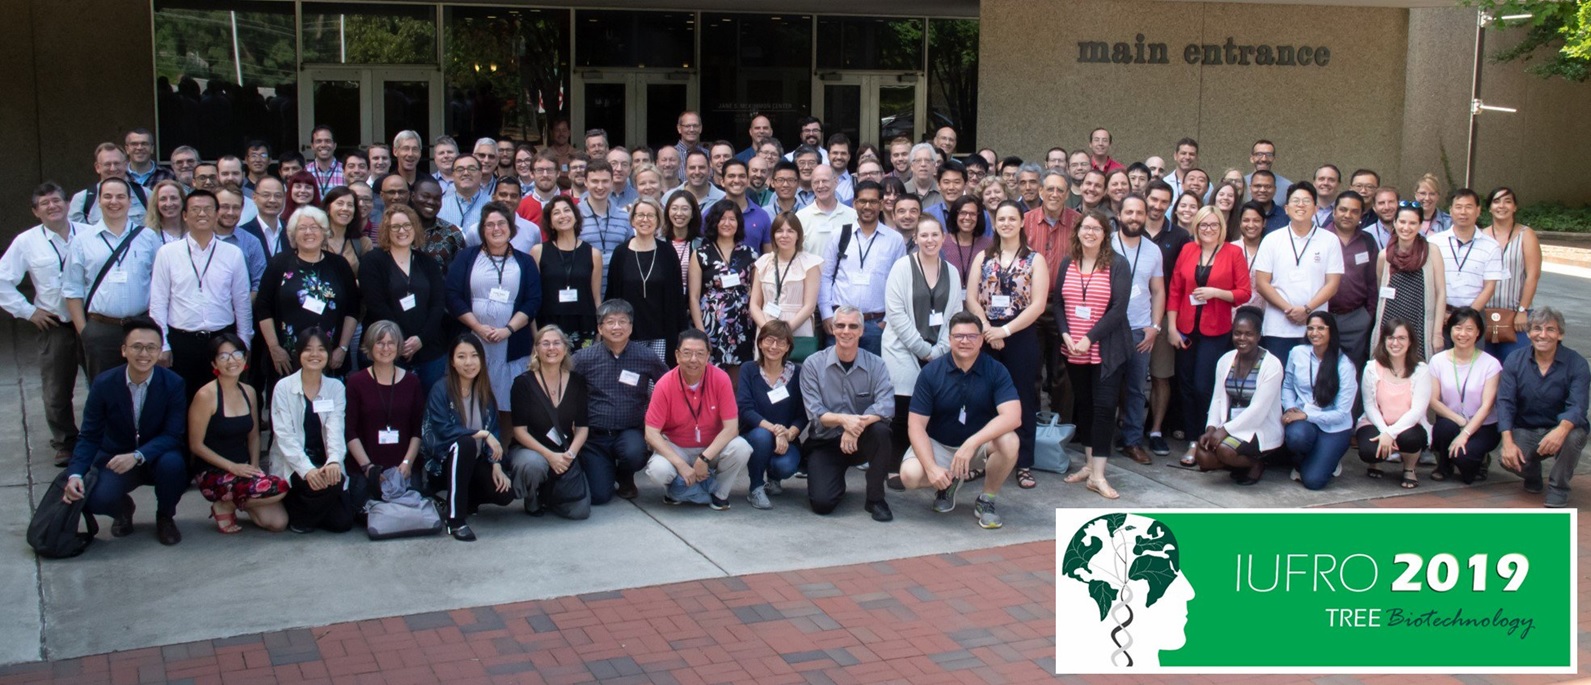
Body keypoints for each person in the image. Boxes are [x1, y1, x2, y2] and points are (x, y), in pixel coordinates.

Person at [62, 318, 188, 546]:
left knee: (174, 466)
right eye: (137, 346)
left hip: (156, 456)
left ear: (160, 351)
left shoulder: (174, 383)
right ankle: (123, 511)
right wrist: (75, 474)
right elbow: (89, 435)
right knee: (93, 496)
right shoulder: (104, 383)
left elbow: (173, 434)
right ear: (123, 350)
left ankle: (165, 517)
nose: (144, 354)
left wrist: (138, 456)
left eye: (151, 347)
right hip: (115, 458)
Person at [897, 312, 1021, 528]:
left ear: (982, 339)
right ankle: (947, 482)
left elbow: (1013, 416)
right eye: (959, 336)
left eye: (972, 336)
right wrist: (932, 467)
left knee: (1010, 441)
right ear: (949, 339)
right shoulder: (930, 372)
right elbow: (916, 426)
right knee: (910, 476)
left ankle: (987, 499)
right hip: (939, 445)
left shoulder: (996, 370)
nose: (965, 341)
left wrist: (971, 443)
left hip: (978, 446)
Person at [0, 183, 86, 466]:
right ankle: (65, 443)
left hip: (91, 322)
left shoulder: (88, 234)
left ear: (67, 204)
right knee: (56, 388)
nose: (53, 206)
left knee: (103, 383)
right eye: (45, 203)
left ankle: (105, 438)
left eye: (57, 200)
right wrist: (28, 311)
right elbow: (3, 280)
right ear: (36, 212)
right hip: (55, 324)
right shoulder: (27, 242)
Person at [966, 202, 1050, 490]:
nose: (1006, 223)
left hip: (1021, 334)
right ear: (995, 222)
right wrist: (988, 329)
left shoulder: (1035, 259)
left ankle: (1024, 461)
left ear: (1021, 222)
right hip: (986, 333)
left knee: (1022, 397)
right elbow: (971, 298)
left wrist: (1005, 329)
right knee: (983, 397)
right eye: (1001, 218)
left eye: (1011, 218)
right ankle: (981, 459)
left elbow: (1038, 304)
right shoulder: (983, 257)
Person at [1052, 211, 1132, 499]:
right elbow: (1058, 304)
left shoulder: (1117, 265)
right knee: (1084, 405)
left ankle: (1098, 475)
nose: (1090, 232)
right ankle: (1088, 466)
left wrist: (1088, 338)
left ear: (1105, 233)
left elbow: (1118, 310)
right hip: (1073, 349)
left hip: (1104, 349)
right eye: (1086, 227)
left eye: (1096, 228)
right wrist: (1065, 335)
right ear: (1078, 231)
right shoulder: (1067, 263)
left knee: (1103, 408)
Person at [1167, 207, 1251, 467]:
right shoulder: (1188, 250)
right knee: (1186, 384)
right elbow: (1175, 290)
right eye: (1203, 225)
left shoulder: (1233, 252)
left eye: (1214, 225)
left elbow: (1244, 293)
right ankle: (1193, 439)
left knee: (1205, 385)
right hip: (1185, 327)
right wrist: (1171, 327)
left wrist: (1216, 292)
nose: (1208, 230)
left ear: (1222, 227)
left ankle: (1210, 435)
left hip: (1216, 329)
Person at [149, 190, 254, 399]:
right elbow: (158, 302)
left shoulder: (232, 254)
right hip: (181, 341)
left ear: (216, 214)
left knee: (222, 400)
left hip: (222, 339)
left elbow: (241, 302)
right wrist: (162, 344)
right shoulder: (167, 253)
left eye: (208, 209)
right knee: (182, 400)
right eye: (195, 209)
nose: (202, 214)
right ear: (185, 216)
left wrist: (244, 343)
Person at [447, 203, 543, 430]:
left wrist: (508, 329)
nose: (496, 229)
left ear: (511, 228)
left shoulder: (525, 261)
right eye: (489, 224)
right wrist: (478, 328)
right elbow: (452, 295)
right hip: (474, 338)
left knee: (508, 402)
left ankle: (505, 451)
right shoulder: (466, 257)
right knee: (473, 398)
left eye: (501, 223)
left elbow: (533, 300)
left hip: (512, 343)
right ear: (482, 230)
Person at [799, 306, 896, 520]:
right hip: (825, 441)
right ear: (832, 329)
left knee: (881, 431)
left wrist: (854, 428)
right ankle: (833, 481)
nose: (846, 331)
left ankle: (875, 499)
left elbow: (886, 405)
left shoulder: (877, 365)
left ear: (861, 331)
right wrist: (845, 421)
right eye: (840, 325)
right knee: (822, 503)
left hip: (862, 440)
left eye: (853, 326)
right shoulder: (813, 365)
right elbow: (816, 414)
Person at [573, 299, 671, 504]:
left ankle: (625, 475)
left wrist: (657, 422)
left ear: (631, 326)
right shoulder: (583, 358)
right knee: (599, 497)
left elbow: (668, 386)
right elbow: (565, 389)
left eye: (622, 321)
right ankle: (601, 469)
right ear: (600, 327)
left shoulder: (646, 356)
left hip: (630, 431)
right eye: (610, 322)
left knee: (635, 453)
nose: (617, 327)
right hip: (595, 436)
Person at [64, 177, 162, 381]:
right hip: (101, 330)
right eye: (107, 196)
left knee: (143, 385)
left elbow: (160, 283)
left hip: (141, 326)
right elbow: (72, 290)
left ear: (129, 201)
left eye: (120, 196)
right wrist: (85, 332)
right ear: (99, 201)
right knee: (102, 389)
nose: (114, 202)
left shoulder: (148, 237)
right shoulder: (82, 241)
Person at [189, 333, 289, 533]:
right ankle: (224, 504)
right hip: (213, 471)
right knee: (280, 488)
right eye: (223, 356)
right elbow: (196, 445)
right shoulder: (205, 395)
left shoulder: (249, 391)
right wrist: (232, 467)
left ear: (244, 358)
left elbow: (253, 435)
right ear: (214, 364)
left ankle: (233, 503)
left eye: (237, 354)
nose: (231, 360)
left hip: (243, 469)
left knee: (278, 523)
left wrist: (253, 466)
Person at [643, 329, 752, 509]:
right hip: (677, 448)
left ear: (708, 356)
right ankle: (678, 489)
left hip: (711, 446)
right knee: (658, 470)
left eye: (700, 354)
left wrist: (704, 459)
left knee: (741, 448)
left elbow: (731, 428)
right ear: (677, 355)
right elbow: (651, 433)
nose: (694, 359)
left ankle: (719, 493)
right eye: (687, 353)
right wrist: (681, 465)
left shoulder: (720, 379)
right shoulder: (664, 383)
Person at [884, 216, 964, 460]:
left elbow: (954, 313)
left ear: (943, 238)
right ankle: (897, 465)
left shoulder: (951, 271)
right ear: (915, 238)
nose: (930, 240)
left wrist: (939, 350)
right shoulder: (901, 267)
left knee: (933, 409)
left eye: (935, 235)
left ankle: (927, 461)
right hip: (903, 349)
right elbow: (895, 312)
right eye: (924, 235)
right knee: (904, 410)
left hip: (938, 351)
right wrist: (922, 349)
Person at [257, 206, 360, 393]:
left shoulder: (339, 265)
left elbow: (353, 309)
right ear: (293, 234)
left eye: (315, 227)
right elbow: (263, 307)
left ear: (325, 233)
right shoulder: (279, 263)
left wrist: (342, 348)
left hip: (330, 357)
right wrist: (274, 348)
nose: (308, 232)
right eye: (301, 228)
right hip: (287, 359)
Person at [1497, 308, 1589, 508]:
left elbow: (1578, 405)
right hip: (1527, 427)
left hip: (1563, 427)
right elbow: (1505, 402)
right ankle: (1532, 473)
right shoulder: (1514, 360)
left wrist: (1561, 430)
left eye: (1550, 329)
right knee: (1508, 459)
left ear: (1560, 334)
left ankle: (1559, 488)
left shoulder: (1577, 364)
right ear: (1529, 333)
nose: (1543, 335)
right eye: (1537, 329)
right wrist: (1507, 442)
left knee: (1574, 436)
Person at [423, 334, 513, 540]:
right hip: (444, 463)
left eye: (474, 356)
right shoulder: (441, 388)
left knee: (505, 493)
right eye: (461, 357)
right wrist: (480, 434)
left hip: (475, 462)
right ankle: (455, 520)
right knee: (465, 443)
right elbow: (443, 431)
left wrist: (496, 465)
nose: (469, 362)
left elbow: (494, 430)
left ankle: (467, 498)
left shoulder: (483, 391)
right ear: (452, 362)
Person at [269, 328, 353, 534]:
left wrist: (333, 460)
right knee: (324, 490)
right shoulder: (283, 387)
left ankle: (302, 515)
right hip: (294, 464)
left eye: (321, 349)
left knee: (342, 523)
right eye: (308, 350)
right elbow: (284, 436)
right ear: (299, 354)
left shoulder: (335, 388)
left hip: (324, 463)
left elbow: (336, 429)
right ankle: (303, 514)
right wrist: (307, 470)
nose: (315, 355)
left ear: (329, 353)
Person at [360, 205, 449, 393]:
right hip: (387, 347)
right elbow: (376, 304)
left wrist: (420, 339)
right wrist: (400, 340)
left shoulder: (428, 262)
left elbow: (438, 304)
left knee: (428, 409)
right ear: (386, 230)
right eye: (395, 227)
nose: (402, 231)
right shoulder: (373, 261)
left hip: (428, 349)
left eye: (407, 225)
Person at [507, 325, 593, 519]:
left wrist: (570, 454)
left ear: (565, 348)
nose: (551, 348)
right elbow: (520, 431)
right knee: (532, 465)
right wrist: (549, 456)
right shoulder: (522, 383)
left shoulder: (577, 381)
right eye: (545, 343)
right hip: (531, 450)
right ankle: (532, 498)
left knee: (579, 512)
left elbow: (582, 427)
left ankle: (550, 495)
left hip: (564, 451)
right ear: (536, 349)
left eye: (556, 343)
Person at [1191, 307, 1284, 484]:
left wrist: (1223, 431)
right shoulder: (1226, 360)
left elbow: (1258, 410)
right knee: (1203, 456)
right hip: (1230, 424)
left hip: (1259, 425)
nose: (1242, 339)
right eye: (1237, 333)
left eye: (1248, 334)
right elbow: (1217, 398)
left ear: (1258, 335)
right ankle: (1236, 463)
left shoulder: (1272, 365)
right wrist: (1211, 428)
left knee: (1225, 450)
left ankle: (1255, 464)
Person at [1253, 182, 1343, 360]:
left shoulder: (1330, 240)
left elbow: (1332, 284)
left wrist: (1307, 309)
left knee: (1313, 379)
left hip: (1316, 325)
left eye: (1306, 201)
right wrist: (1289, 309)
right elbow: (1262, 283)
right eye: (1295, 201)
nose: (1301, 205)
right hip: (1278, 326)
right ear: (1286, 208)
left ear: (1316, 208)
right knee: (1278, 377)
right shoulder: (1272, 239)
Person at [343, 320, 426, 507]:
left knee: (408, 510)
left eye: (391, 343)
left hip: (403, 468)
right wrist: (368, 468)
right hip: (367, 468)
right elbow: (350, 431)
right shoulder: (356, 382)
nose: (385, 348)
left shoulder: (412, 382)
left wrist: (407, 463)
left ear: (398, 347)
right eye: (379, 342)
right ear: (370, 346)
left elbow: (417, 429)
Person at [819, 181, 906, 355]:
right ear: (854, 203)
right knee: (835, 375)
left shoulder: (894, 240)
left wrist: (887, 321)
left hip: (876, 324)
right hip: (840, 323)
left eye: (873, 202)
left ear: (881, 205)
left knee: (872, 377)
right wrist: (826, 314)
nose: (867, 206)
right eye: (862, 201)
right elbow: (825, 276)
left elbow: (900, 284)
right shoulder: (839, 235)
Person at [1112, 196, 1168, 463]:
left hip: (1139, 330)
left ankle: (1132, 441)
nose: (1134, 217)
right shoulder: (1106, 243)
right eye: (1129, 212)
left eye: (1139, 212)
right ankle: (1102, 442)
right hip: (1108, 329)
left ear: (1146, 216)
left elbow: (1158, 290)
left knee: (1136, 389)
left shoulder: (1153, 250)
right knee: (1106, 387)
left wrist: (1155, 327)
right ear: (1119, 214)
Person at [1280, 312, 1358, 490]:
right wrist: (1290, 408)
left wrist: (1306, 416)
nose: (1315, 333)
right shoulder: (1298, 353)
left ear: (1332, 331)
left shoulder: (1344, 365)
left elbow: (1341, 413)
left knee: (1313, 481)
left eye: (1321, 328)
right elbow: (1288, 386)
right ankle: (1302, 462)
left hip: (1334, 426)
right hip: (1303, 421)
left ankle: (1330, 458)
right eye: (1310, 328)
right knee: (1296, 437)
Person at [736, 320, 808, 509]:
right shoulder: (748, 369)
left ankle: (774, 478)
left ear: (788, 348)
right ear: (760, 343)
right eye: (769, 340)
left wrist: (789, 434)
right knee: (762, 437)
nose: (774, 346)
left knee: (786, 466)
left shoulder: (798, 373)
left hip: (787, 439)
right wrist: (775, 431)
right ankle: (756, 487)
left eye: (781, 342)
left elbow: (803, 413)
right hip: (755, 434)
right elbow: (745, 409)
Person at [606, 197, 688, 359]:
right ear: (632, 219)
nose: (645, 220)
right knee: (631, 381)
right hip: (628, 333)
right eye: (640, 215)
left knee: (657, 381)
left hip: (662, 333)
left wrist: (681, 333)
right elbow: (612, 295)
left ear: (658, 221)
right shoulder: (620, 253)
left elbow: (677, 297)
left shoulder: (668, 252)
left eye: (651, 216)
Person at [1354, 319, 1433, 488]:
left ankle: (1409, 469)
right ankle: (1374, 463)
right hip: (1376, 422)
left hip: (1409, 424)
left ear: (1410, 341)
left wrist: (1391, 434)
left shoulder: (1421, 370)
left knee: (1411, 439)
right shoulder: (1371, 368)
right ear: (1383, 340)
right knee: (1368, 451)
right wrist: (1385, 432)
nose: (1395, 343)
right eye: (1390, 338)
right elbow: (1369, 405)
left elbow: (1417, 410)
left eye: (1401, 338)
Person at [1428, 308, 1503, 484]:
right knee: (1444, 428)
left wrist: (1466, 432)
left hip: (1483, 426)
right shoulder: (1438, 361)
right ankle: (1444, 465)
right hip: (1452, 421)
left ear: (1478, 333)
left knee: (1466, 466)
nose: (1463, 334)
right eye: (1458, 328)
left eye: (1469, 329)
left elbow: (1487, 406)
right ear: (1450, 330)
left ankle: (1480, 460)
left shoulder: (1491, 364)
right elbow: (1432, 399)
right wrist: (1460, 421)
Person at [690, 200, 759, 382]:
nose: (728, 223)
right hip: (712, 324)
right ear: (715, 222)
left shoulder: (750, 254)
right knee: (711, 377)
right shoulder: (700, 253)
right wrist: (700, 330)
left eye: (732, 219)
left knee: (739, 377)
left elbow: (757, 293)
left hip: (742, 323)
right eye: (723, 219)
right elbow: (693, 296)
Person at [1372, 203, 1446, 361]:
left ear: (1420, 225)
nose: (1406, 227)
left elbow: (1441, 293)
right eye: (1402, 222)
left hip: (1420, 324)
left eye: (1413, 223)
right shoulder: (1384, 256)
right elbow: (1381, 291)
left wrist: (1437, 333)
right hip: (1390, 324)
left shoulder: (1431, 252)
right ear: (1395, 222)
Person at [1431, 189, 1506, 344]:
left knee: (1471, 365)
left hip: (1474, 316)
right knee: (1438, 364)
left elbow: (1489, 287)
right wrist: (1442, 312)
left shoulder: (1491, 246)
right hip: (1439, 315)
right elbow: (1428, 281)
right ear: (1451, 211)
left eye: (1468, 207)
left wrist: (1467, 316)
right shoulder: (1434, 243)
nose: (1463, 212)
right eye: (1458, 207)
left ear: (1478, 211)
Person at [1481, 187, 1542, 362]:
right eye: (1496, 201)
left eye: (1507, 201)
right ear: (1490, 207)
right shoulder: (1481, 236)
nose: (1502, 206)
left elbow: (1533, 275)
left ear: (1515, 207)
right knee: (1486, 367)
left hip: (1516, 315)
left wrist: (1522, 310)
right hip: (1485, 314)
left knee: (1516, 363)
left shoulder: (1526, 235)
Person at [533, 196, 601, 348]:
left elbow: (595, 297)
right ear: (550, 223)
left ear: (576, 217)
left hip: (583, 324)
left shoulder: (593, 253)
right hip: (549, 326)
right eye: (556, 213)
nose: (563, 215)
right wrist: (534, 332)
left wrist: (598, 331)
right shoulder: (538, 252)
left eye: (567, 210)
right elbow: (534, 296)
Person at [749, 211, 822, 344]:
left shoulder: (810, 264)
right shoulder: (763, 262)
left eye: (790, 231)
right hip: (767, 326)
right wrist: (767, 330)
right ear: (773, 235)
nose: (784, 236)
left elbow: (809, 306)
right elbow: (754, 304)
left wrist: (785, 330)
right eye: (779, 231)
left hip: (797, 326)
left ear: (798, 235)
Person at [1326, 191, 1380, 371]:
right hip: (1324, 315)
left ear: (1361, 216)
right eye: (1343, 209)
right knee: (1324, 369)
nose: (1347, 215)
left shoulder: (1367, 241)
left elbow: (1373, 283)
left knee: (1355, 370)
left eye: (1354, 211)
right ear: (1334, 211)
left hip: (1356, 318)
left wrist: (1368, 315)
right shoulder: (1320, 238)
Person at [945, 196, 993, 288]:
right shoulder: (942, 243)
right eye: (963, 213)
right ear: (955, 215)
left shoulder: (989, 246)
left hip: (979, 300)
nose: (967, 217)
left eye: (972, 214)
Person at [1230, 201, 1267, 308]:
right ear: (1240, 223)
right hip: (1233, 311)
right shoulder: (1230, 249)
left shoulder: (1270, 249)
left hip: (1262, 312)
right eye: (1246, 220)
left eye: (1256, 220)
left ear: (1264, 223)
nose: (1251, 225)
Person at [664, 190, 702, 290]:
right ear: (668, 211)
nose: (679, 213)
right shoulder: (659, 243)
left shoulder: (701, 244)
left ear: (693, 213)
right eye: (674, 208)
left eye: (685, 209)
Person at [145, 180, 186, 245]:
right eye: (163, 199)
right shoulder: (148, 235)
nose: (169, 204)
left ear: (182, 201)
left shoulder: (194, 232)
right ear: (156, 204)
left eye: (173, 198)